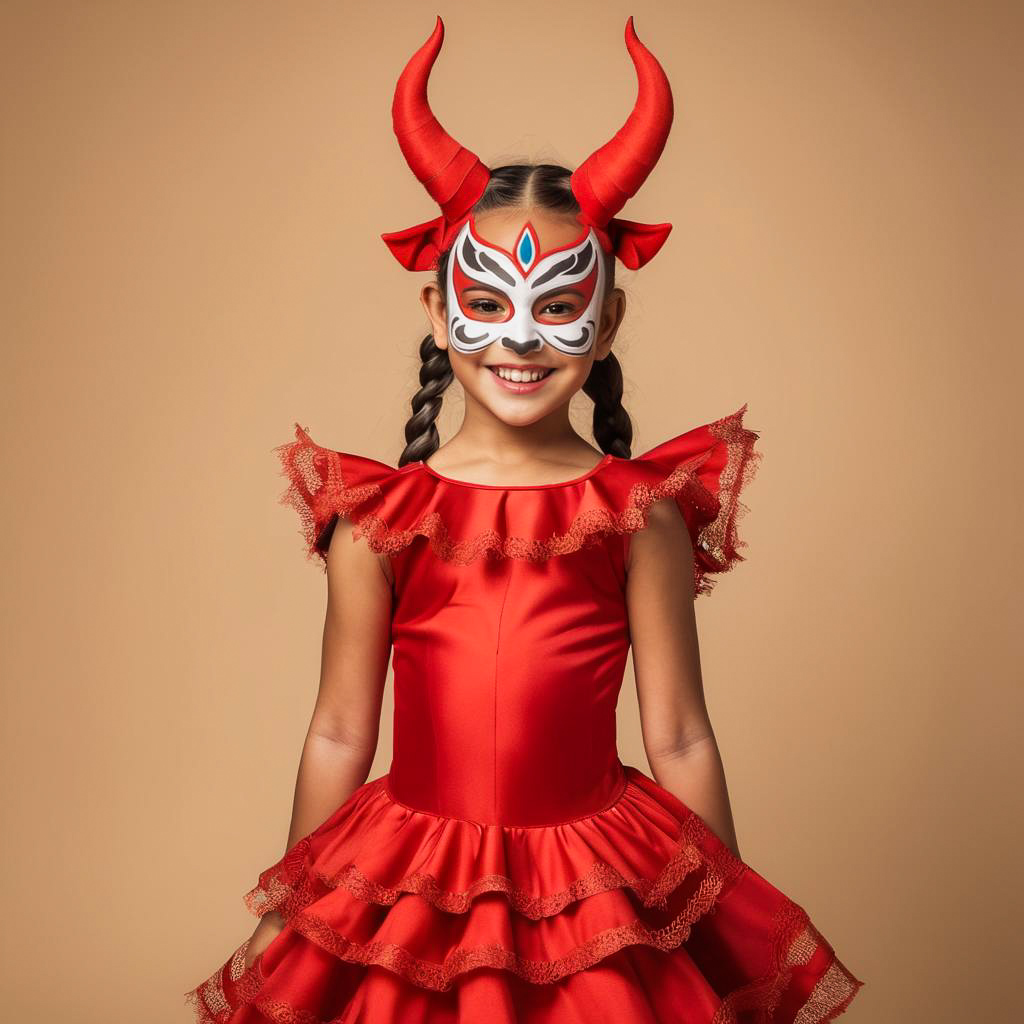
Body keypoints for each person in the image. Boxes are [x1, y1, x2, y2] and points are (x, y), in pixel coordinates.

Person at [185, 16, 864, 1022]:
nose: (519, 336)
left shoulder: (638, 517)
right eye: (488, 299)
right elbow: (338, 728)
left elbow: (677, 736)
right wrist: (298, 906)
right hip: (414, 877)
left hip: (588, 880)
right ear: (434, 310)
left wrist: (717, 917)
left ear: (607, 320)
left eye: (556, 303)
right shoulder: (380, 520)